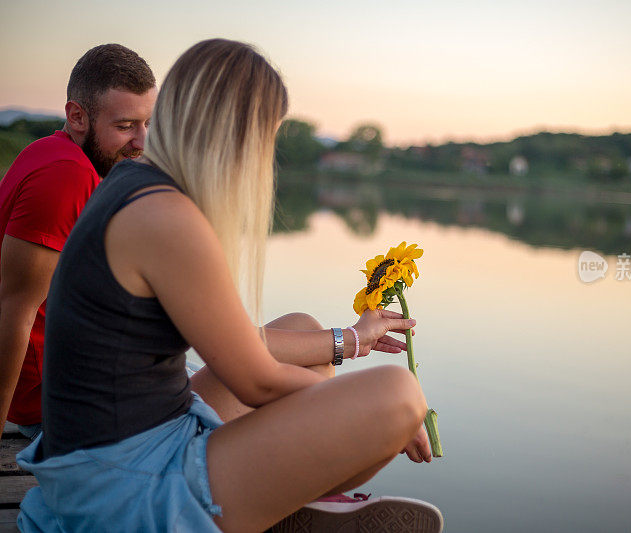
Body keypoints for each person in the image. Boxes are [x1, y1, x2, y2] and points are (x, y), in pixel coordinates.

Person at [16, 39, 443, 533]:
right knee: (397, 393)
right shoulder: (167, 218)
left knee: (304, 333)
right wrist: (384, 412)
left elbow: (237, 343)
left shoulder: (136, 182)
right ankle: (271, 502)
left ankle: (283, 499)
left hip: (105, 453)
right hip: (122, 486)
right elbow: (255, 380)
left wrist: (344, 345)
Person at [0, 44, 157, 441]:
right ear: (77, 116)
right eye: (125, 126)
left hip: (86, 383)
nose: (141, 142)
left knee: (299, 343)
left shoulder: (54, 153)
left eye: (146, 124)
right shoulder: (66, 174)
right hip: (61, 406)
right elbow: (13, 309)